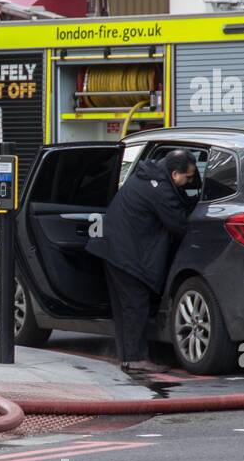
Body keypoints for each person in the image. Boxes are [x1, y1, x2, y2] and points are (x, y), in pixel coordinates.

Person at [85, 149, 200, 373]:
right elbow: (179, 225)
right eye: (188, 177)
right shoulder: (162, 190)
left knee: (124, 308)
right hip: (127, 254)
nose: (190, 181)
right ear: (175, 173)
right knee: (135, 306)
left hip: (112, 249)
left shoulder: (148, 175)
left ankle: (127, 357)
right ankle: (136, 359)